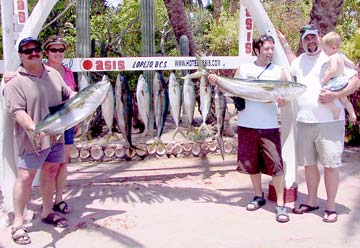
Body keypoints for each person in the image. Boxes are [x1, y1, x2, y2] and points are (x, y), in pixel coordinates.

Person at [278, 24, 359, 223]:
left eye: (313, 37)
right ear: (302, 41)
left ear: (320, 37)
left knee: (331, 166)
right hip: (304, 122)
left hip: (330, 123)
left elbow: (355, 80)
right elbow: (292, 62)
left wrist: (336, 94)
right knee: (309, 165)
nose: (311, 41)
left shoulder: (332, 56)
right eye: (306, 38)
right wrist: (284, 43)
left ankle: (330, 206)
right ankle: (312, 201)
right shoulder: (299, 62)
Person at [208, 34, 290, 223]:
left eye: (272, 49)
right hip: (246, 126)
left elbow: (284, 103)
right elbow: (232, 91)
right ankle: (258, 196)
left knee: (277, 166)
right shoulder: (243, 69)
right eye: (267, 49)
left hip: (269, 127)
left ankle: (281, 205)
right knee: (251, 165)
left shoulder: (280, 72)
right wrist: (217, 82)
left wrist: (283, 101)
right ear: (257, 50)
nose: (270, 52)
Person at [3, 37, 75, 245]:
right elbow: (17, 112)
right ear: (21, 56)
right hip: (32, 139)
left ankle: (46, 212)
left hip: (56, 137)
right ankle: (18, 223)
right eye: (28, 51)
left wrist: (89, 99)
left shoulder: (53, 74)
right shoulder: (15, 81)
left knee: (51, 171)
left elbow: (68, 95)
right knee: (25, 177)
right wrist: (34, 130)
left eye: (36, 49)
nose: (33, 53)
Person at [43, 35, 77, 214]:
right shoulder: (39, 70)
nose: (57, 53)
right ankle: (46, 202)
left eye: (61, 50)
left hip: (68, 124)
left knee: (63, 163)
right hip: (47, 124)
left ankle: (59, 200)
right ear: (47, 52)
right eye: (53, 50)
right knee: (48, 165)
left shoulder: (68, 72)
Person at [319, 31, 357, 122]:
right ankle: (352, 114)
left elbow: (332, 70)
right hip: (342, 81)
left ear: (333, 47)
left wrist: (324, 79)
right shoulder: (341, 55)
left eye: (325, 49)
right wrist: (355, 67)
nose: (324, 52)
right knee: (344, 100)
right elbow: (351, 64)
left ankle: (334, 109)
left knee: (321, 95)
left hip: (334, 82)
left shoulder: (333, 57)